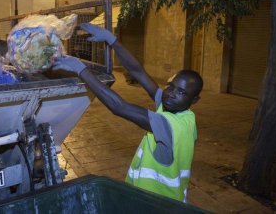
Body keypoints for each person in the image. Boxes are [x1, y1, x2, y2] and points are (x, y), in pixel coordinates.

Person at [52, 23, 203, 203]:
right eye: (171, 86)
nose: (171, 94)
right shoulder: (180, 110)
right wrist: (112, 40)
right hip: (154, 197)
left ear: (194, 100)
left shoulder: (170, 125)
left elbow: (120, 107)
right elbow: (138, 72)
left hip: (157, 203)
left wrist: (81, 70)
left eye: (181, 92)